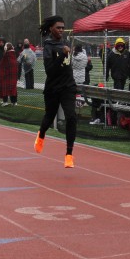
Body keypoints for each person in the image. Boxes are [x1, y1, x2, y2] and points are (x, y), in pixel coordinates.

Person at [34, 16, 78, 168]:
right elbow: (50, 71)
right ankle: (41, 134)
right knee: (49, 117)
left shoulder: (66, 43)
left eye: (63, 27)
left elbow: (68, 65)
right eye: (58, 27)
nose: (61, 30)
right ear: (51, 28)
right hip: (53, 88)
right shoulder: (48, 46)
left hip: (68, 87)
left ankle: (69, 155)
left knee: (71, 117)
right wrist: (62, 55)